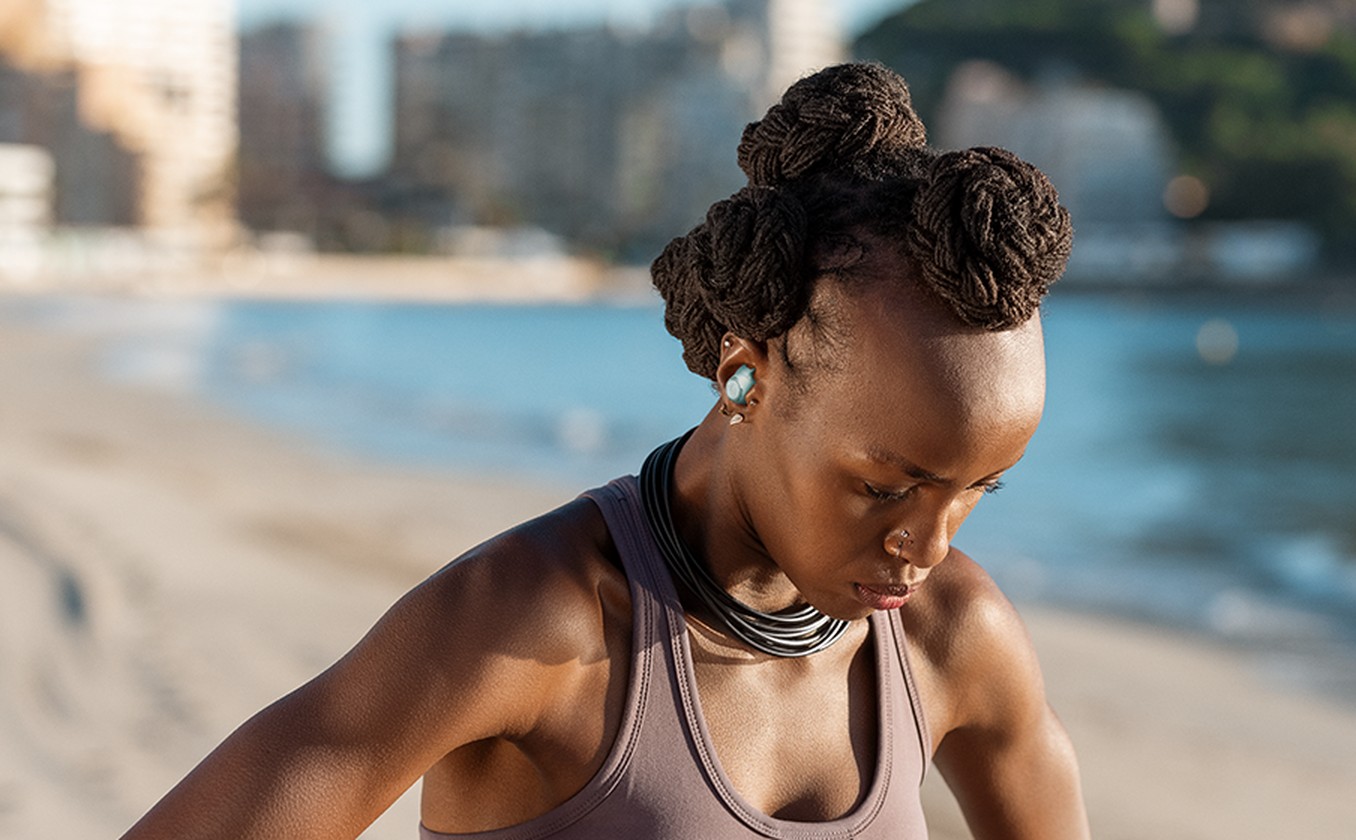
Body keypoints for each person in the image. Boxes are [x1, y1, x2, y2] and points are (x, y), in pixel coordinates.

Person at [122, 62, 1088, 839]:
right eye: (885, 486)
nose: (927, 545)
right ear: (745, 377)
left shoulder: (953, 637)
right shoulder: (529, 626)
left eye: (976, 493)